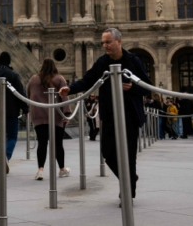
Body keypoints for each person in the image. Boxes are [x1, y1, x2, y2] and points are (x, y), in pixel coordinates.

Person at [60, 28, 152, 203]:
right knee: (108, 153)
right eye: (103, 42)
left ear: (119, 41)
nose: (105, 45)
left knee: (129, 156)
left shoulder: (133, 61)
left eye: (108, 42)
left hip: (130, 115)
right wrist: (70, 89)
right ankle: (130, 178)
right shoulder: (102, 62)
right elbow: (87, 80)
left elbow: (148, 87)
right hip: (109, 115)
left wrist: (133, 88)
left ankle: (127, 194)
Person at [26, 58, 72, 180]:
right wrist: (66, 114)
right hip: (56, 116)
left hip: (39, 116)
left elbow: (28, 95)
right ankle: (62, 169)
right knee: (58, 144)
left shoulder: (33, 79)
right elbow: (64, 97)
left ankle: (40, 170)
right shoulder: (59, 79)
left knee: (42, 143)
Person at [0, 51, 29, 167]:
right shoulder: (13, 75)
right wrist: (25, 109)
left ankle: (3, 158)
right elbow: (20, 93)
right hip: (11, 111)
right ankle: (6, 155)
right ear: (9, 61)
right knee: (12, 136)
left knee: (1, 137)